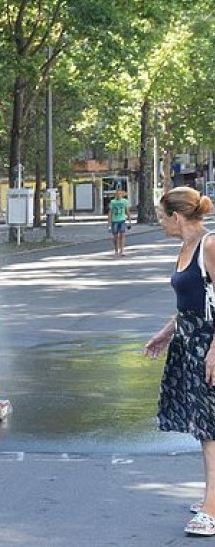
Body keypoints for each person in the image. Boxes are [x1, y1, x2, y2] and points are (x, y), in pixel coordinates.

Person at [143, 186, 215, 536]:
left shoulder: (210, 246)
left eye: (161, 217)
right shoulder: (185, 248)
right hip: (189, 342)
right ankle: (211, 499)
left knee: (210, 430)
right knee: (205, 427)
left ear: (176, 216)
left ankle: (212, 510)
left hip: (208, 346)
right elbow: (193, 302)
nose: (160, 224)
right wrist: (166, 332)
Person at [107, 189, 131, 257]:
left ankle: (122, 250)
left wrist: (129, 221)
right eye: (117, 194)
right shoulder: (113, 202)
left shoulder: (125, 201)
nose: (119, 195)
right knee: (115, 237)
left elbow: (127, 211)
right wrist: (109, 224)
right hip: (114, 221)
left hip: (122, 220)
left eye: (120, 194)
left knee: (122, 235)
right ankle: (116, 250)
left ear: (122, 194)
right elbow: (110, 213)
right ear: (115, 195)